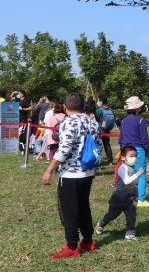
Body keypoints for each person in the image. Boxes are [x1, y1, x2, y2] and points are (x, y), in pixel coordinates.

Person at [41, 92, 104, 259]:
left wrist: (49, 170)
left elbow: (64, 150)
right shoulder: (93, 122)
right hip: (88, 172)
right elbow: (99, 147)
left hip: (70, 174)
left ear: (65, 107)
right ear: (83, 106)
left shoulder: (68, 123)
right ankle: (88, 241)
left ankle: (71, 246)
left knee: (69, 210)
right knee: (84, 206)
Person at [95, 146, 141, 242]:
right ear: (123, 158)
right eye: (131, 156)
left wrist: (136, 194)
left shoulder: (132, 167)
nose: (134, 158)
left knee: (131, 215)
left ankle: (130, 234)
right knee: (112, 215)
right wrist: (138, 174)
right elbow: (127, 181)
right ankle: (101, 223)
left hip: (130, 198)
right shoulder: (122, 168)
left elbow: (133, 183)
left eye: (135, 156)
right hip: (119, 198)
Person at [119, 96, 149, 207]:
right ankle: (141, 200)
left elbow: (120, 138)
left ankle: (122, 196)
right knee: (141, 175)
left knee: (125, 175)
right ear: (138, 108)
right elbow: (144, 139)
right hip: (138, 151)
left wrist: (122, 151)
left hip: (126, 151)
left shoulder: (124, 120)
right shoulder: (141, 120)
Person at [96, 96, 116, 164]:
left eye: (98, 100)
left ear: (101, 102)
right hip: (108, 129)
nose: (97, 102)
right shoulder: (110, 110)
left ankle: (98, 160)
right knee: (107, 144)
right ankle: (110, 160)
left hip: (101, 129)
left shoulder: (99, 110)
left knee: (98, 145)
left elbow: (96, 118)